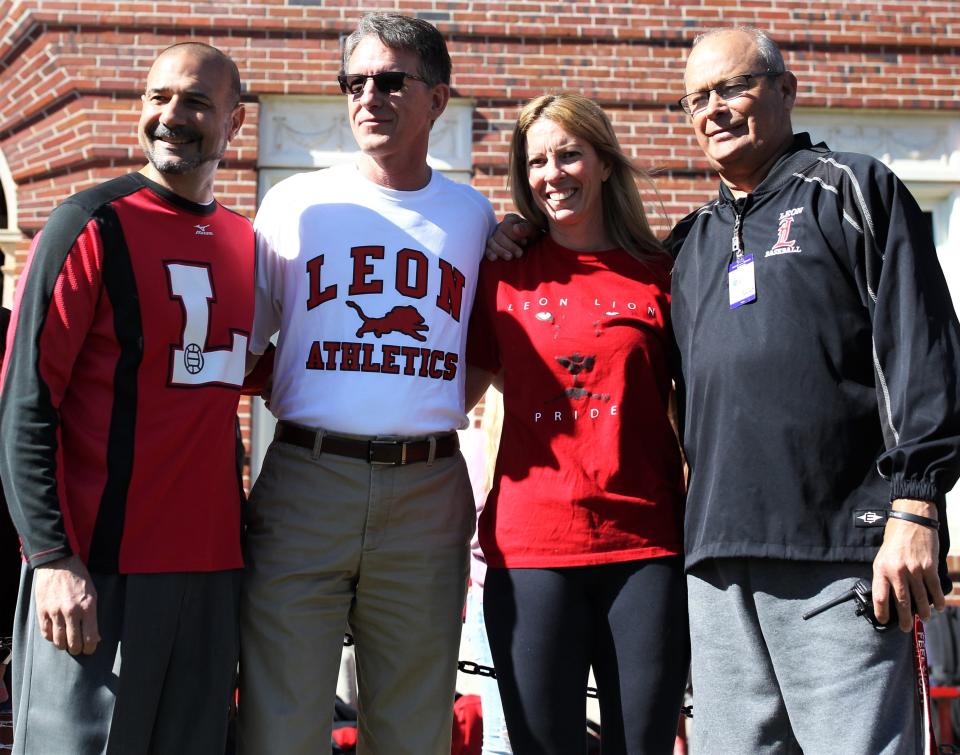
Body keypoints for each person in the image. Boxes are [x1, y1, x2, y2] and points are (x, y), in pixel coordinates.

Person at [669, 28, 960, 752]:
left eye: (733, 87)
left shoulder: (855, 189)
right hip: (715, 561)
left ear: (785, 89)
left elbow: (921, 351)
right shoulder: (685, 247)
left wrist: (916, 503)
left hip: (841, 551)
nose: (715, 110)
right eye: (698, 98)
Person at [239, 13, 496, 755]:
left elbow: (480, 349)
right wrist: (325, 396)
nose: (369, 98)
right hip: (306, 479)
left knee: (413, 725)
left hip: (427, 486)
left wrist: (420, 402)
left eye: (391, 81)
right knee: (280, 719)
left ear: (437, 99)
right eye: (355, 83)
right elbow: (248, 348)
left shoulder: (472, 217)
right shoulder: (294, 203)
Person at [0, 42, 251, 754]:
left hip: (210, 574)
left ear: (234, 123)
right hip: (95, 575)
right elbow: (24, 405)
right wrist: (50, 556)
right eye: (158, 97)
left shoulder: (245, 244)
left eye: (197, 102)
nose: (172, 115)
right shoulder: (87, 225)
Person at [466, 93, 689, 754]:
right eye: (537, 161)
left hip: (646, 547)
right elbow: (453, 394)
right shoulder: (501, 273)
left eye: (569, 154)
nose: (553, 173)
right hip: (532, 549)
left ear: (604, 164)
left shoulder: (660, 273)